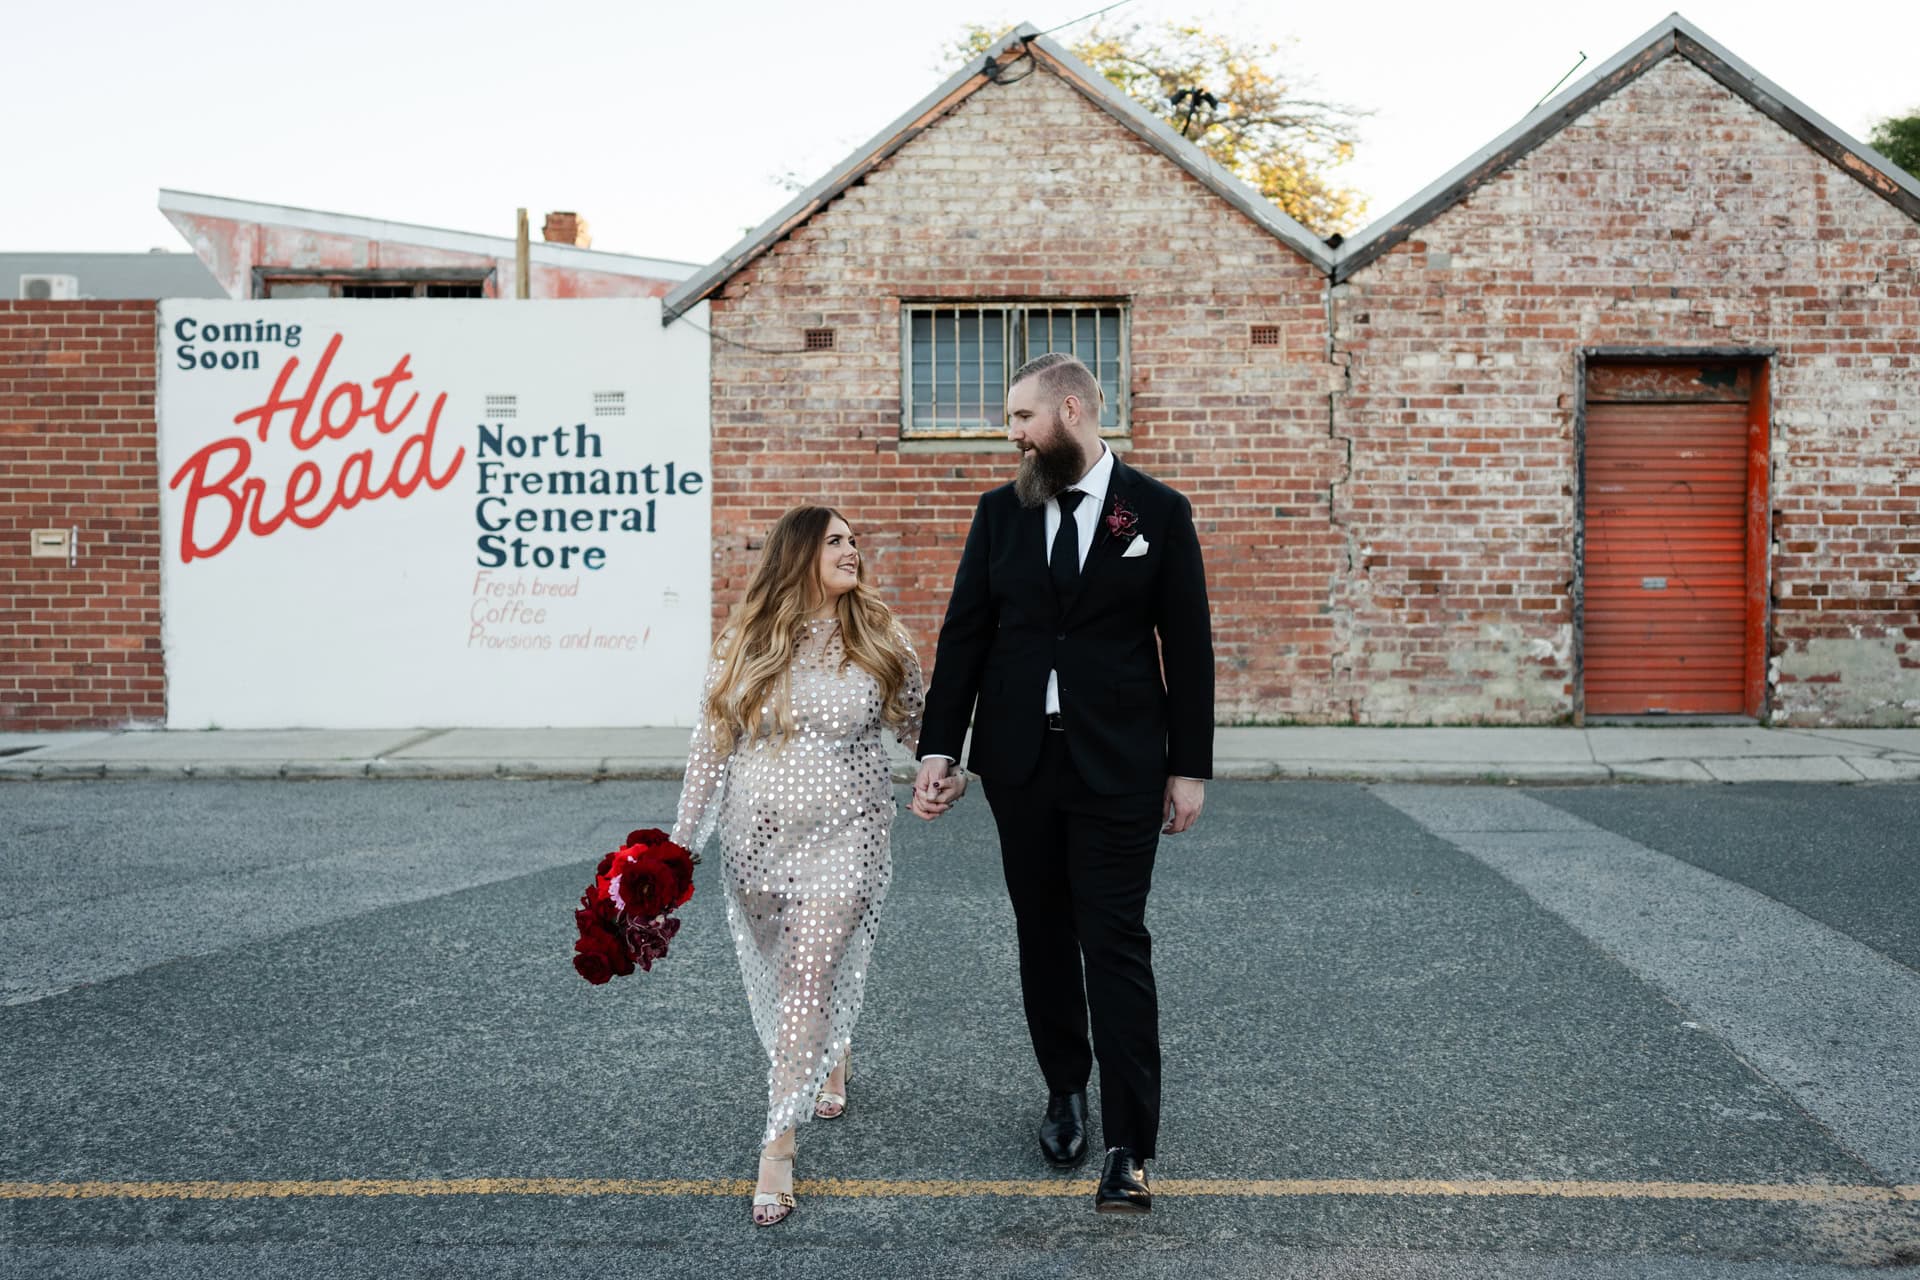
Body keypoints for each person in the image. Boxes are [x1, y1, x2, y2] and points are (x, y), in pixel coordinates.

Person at [912, 352, 1213, 1215]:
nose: (1010, 435)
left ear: (1072, 411)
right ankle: (1064, 1091)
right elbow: (965, 635)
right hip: (1021, 763)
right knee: (1041, 932)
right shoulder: (1002, 513)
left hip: (1120, 765)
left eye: (1020, 419)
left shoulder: (1156, 512)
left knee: (1114, 943)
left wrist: (1189, 766)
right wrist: (943, 748)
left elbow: (1186, 648)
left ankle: (1129, 1148)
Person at [669, 504, 931, 1227]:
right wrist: (675, 850)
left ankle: (777, 1149)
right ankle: (833, 1047)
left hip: (848, 838)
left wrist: (947, 773)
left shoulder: (879, 636)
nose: (853, 549)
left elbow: (921, 728)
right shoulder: (747, 641)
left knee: (806, 977)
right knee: (790, 973)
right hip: (755, 844)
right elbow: (709, 751)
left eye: (856, 538)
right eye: (837, 541)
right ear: (799, 555)